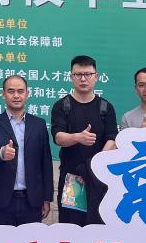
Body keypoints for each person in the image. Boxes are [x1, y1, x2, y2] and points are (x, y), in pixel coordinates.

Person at [50, 55, 118, 226]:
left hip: (99, 178)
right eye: (78, 74)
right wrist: (77, 137)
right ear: (71, 77)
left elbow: (112, 138)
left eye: (87, 74)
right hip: (72, 179)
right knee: (71, 225)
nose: (83, 79)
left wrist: (98, 162)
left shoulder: (105, 107)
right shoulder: (62, 106)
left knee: (99, 225)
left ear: (96, 76)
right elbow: (58, 137)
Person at [0, 74, 53, 226]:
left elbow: (46, 162)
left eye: (20, 91)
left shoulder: (39, 124)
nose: (16, 95)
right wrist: (1, 152)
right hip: (2, 199)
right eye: (11, 91)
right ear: (3, 94)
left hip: (32, 200)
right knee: (2, 240)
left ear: (27, 94)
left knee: (31, 240)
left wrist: (47, 198)